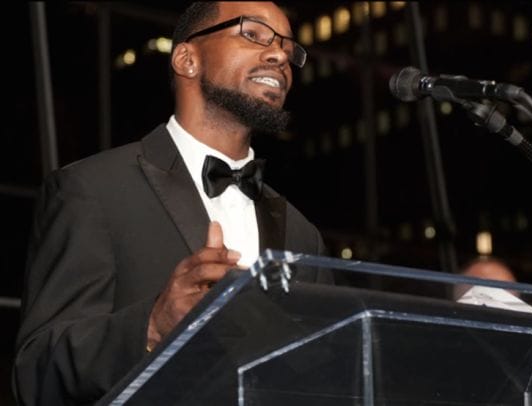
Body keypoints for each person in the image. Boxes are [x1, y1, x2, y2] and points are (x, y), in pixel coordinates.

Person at [13, 2, 332, 404]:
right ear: (187, 58)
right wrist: (152, 326)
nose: (280, 55)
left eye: (288, 47)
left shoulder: (305, 236)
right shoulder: (92, 190)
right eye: (253, 34)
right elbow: (36, 371)